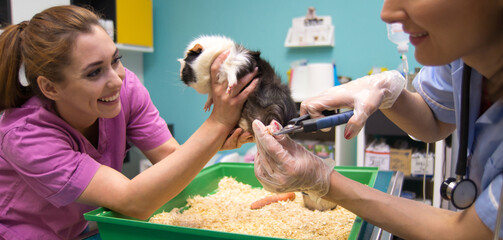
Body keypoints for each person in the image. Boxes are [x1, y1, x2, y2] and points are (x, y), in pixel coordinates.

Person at [0, 5, 258, 240]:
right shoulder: (25, 136)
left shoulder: (126, 88)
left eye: (116, 60)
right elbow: (133, 202)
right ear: (50, 87)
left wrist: (214, 141)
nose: (117, 80)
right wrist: (218, 122)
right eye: (94, 72)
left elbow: (169, 156)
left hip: (82, 230)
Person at [253, 0, 503, 239]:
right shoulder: (461, 53)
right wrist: (388, 94)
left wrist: (323, 180)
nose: (387, 13)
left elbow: (470, 234)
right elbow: (435, 120)